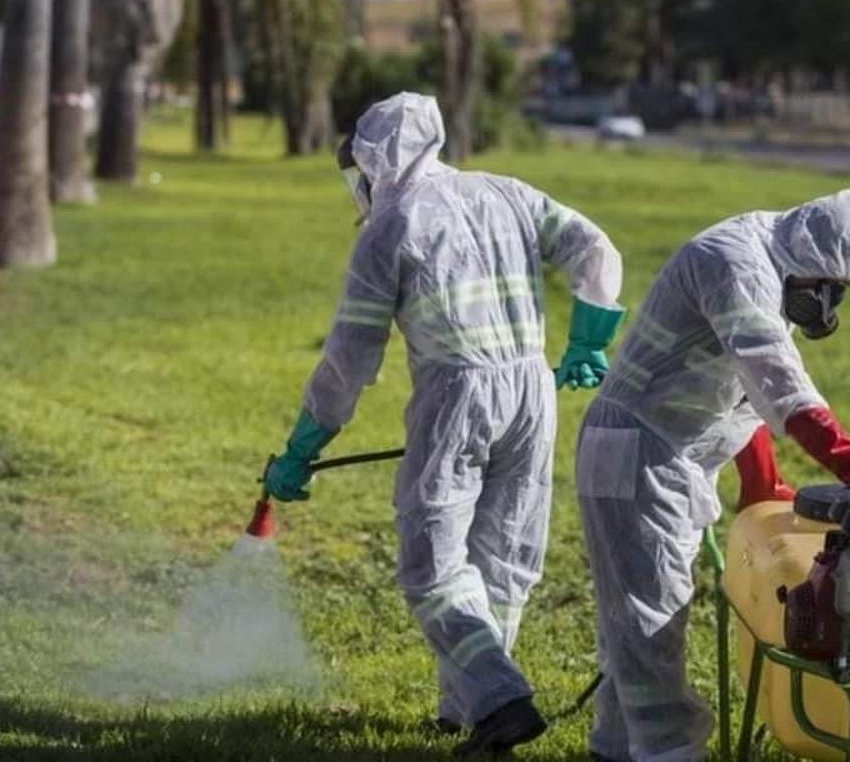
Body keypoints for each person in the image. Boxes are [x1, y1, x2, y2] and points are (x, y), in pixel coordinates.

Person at [262, 92, 625, 756]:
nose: (359, 186)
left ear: (377, 157)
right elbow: (595, 249)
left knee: (431, 565)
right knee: (503, 560)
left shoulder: (389, 228)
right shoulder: (507, 192)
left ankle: (500, 699)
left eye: (358, 170)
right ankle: (467, 711)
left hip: (456, 392)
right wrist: (588, 339)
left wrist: (305, 442)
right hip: (530, 391)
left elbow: (349, 359)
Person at [575, 190, 850, 762]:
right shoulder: (734, 262)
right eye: (826, 292)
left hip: (668, 454)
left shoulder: (775, 259)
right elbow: (774, 376)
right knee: (649, 618)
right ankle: (668, 752)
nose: (827, 309)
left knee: (638, 614)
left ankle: (616, 748)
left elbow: (742, 384)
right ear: (808, 264)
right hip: (635, 451)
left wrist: (760, 479)